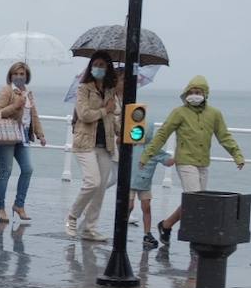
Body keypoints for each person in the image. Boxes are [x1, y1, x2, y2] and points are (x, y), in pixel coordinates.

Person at [142, 75, 245, 244]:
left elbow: (224, 136)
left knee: (196, 200)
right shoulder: (179, 112)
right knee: (196, 199)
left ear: (205, 94)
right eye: (192, 92)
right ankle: (196, 237)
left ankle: (166, 225)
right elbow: (163, 134)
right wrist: (147, 155)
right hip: (185, 161)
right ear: (186, 93)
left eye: (198, 92)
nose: (195, 95)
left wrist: (237, 155)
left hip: (203, 163)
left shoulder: (214, 114)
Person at [66, 52, 120, 241]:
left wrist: (121, 130)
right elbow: (84, 114)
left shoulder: (111, 91)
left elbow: (114, 117)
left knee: (100, 188)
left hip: (105, 144)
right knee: (92, 182)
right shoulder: (83, 88)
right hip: (84, 142)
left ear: (108, 68)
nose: (99, 68)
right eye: (96, 64)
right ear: (90, 67)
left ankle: (90, 228)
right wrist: (106, 109)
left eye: (103, 65)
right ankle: (72, 216)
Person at [0, 61, 47, 223]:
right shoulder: (6, 91)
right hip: (7, 135)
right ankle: (0, 206)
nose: (19, 77)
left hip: (23, 136)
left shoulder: (28, 94)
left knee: (28, 169)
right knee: (6, 171)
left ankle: (19, 205)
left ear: (27, 76)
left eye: (22, 74)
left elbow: (33, 115)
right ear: (10, 75)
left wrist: (40, 134)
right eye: (15, 74)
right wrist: (15, 106)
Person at [129, 128, 175, 249]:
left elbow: (168, 161)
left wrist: (180, 155)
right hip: (129, 181)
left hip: (145, 183)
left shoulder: (154, 149)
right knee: (129, 206)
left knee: (146, 208)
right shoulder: (132, 145)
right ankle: (120, 229)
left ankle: (147, 233)